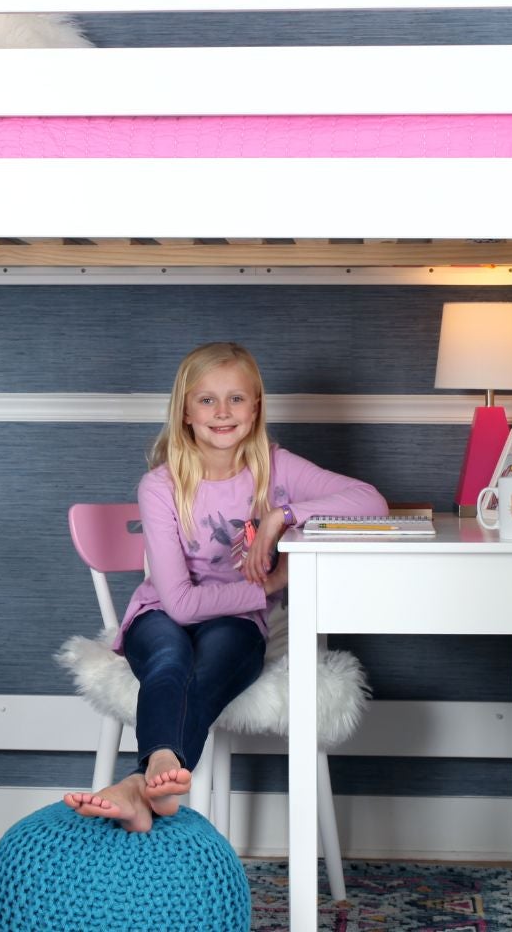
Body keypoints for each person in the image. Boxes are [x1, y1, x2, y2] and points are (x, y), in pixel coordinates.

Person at [63, 342, 387, 832]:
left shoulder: (276, 470)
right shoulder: (161, 485)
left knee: (213, 660)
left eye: (236, 398)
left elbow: (371, 502)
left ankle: (138, 784)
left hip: (237, 624)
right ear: (186, 411)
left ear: (256, 408)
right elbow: (181, 603)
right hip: (161, 614)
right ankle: (151, 782)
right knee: (171, 660)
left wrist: (285, 513)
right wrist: (269, 587)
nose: (222, 412)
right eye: (207, 399)